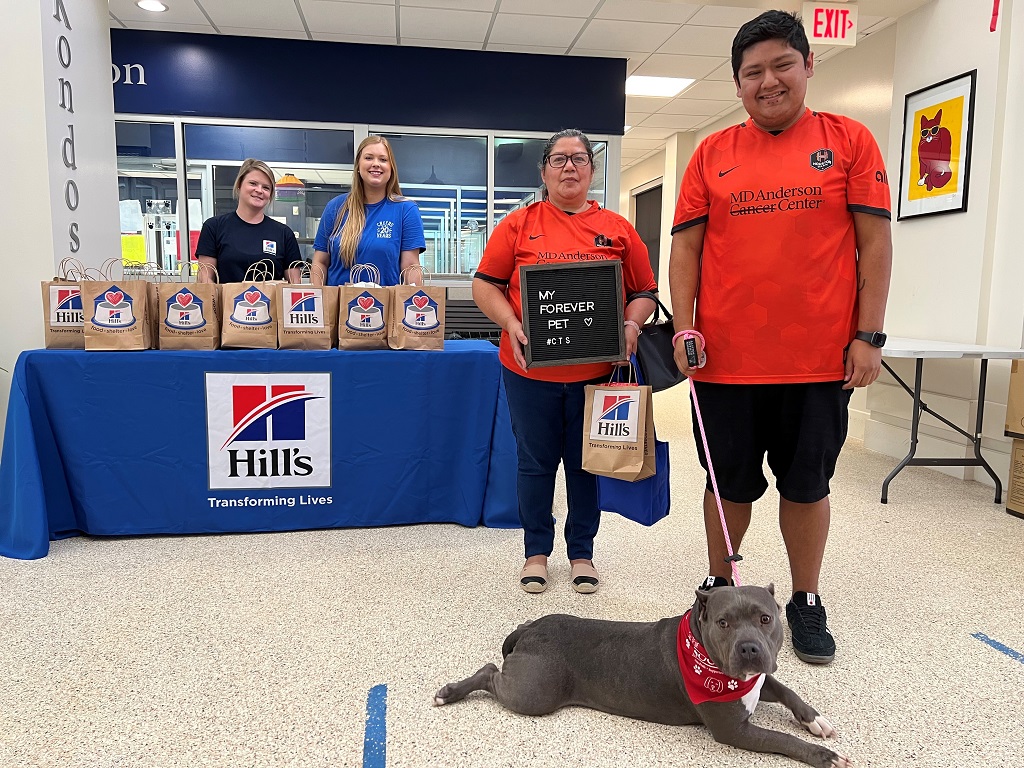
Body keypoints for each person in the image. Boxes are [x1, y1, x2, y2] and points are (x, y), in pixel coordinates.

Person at [668, 10, 892, 664]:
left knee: (807, 486)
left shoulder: (848, 141)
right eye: (753, 72)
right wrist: (684, 326)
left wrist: (869, 334)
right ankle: (719, 587)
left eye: (781, 65)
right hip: (725, 361)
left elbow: (875, 245)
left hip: (818, 360)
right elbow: (686, 252)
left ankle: (805, 597)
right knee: (727, 484)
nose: (768, 81)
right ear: (737, 83)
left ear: (808, 65)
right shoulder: (712, 154)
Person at [473, 128, 657, 595]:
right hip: (528, 371)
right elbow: (485, 284)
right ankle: (536, 551)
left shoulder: (618, 228)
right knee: (535, 463)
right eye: (559, 159)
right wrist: (511, 322)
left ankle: (582, 553)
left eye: (579, 158)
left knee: (585, 464)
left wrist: (632, 324)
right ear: (544, 171)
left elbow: (645, 292)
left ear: (592, 170)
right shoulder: (518, 225)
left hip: (596, 377)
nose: (569, 166)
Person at [312, 136, 425, 287]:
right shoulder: (335, 207)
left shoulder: (406, 209)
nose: (376, 164)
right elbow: (320, 262)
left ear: (391, 168)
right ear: (358, 166)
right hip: (338, 302)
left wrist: (414, 298)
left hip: (385, 301)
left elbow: (410, 267)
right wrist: (318, 297)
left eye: (383, 159)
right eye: (369, 158)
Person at [196, 158, 300, 283]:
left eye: (266, 187)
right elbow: (205, 279)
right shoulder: (214, 227)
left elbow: (294, 286)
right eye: (253, 183)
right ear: (239, 185)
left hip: (270, 297)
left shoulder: (284, 234)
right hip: (225, 296)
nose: (259, 190)